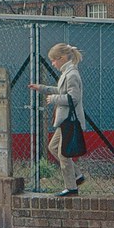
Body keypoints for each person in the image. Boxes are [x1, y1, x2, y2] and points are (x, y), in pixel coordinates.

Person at [29, 43, 86, 197]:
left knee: (63, 154)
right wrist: (41, 88)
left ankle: (71, 188)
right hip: (64, 120)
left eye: (54, 60)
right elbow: (61, 91)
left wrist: (54, 99)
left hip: (69, 119)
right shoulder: (67, 72)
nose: (53, 63)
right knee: (53, 147)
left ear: (61, 58)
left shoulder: (72, 74)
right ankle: (77, 175)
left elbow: (74, 98)